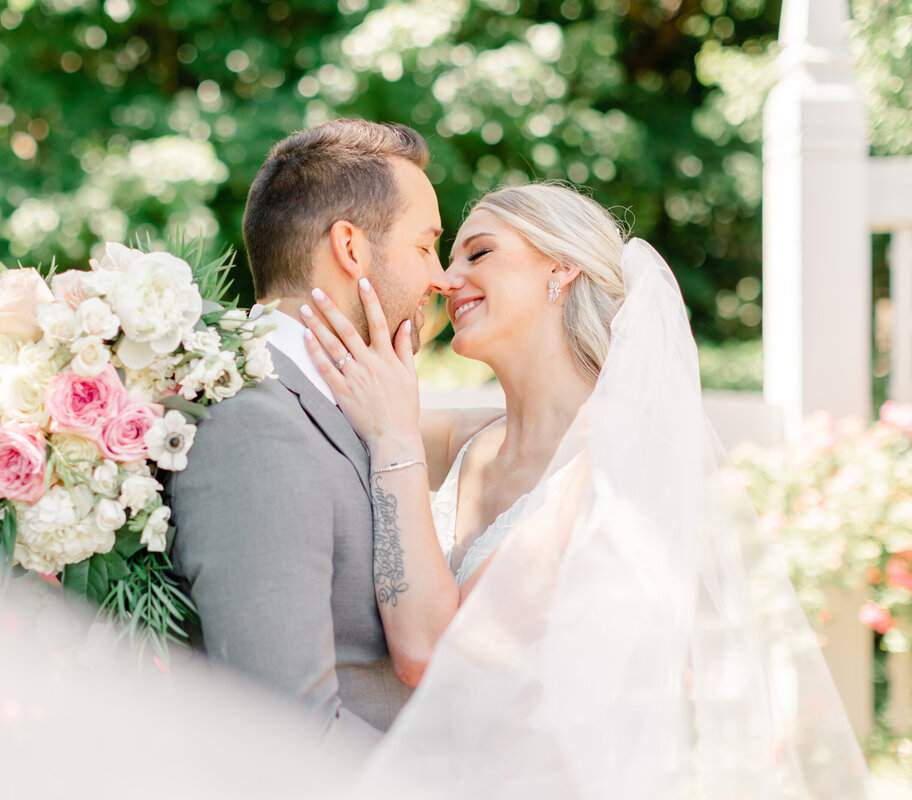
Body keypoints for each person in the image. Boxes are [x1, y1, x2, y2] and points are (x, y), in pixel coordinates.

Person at [303, 183, 872, 797]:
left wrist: (393, 439)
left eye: (479, 253)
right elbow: (319, 409)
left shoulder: (619, 465)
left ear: (562, 268)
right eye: (447, 256)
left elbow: (426, 652)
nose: (445, 277)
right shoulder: (463, 442)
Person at [166, 119, 459, 743]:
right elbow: (289, 734)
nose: (440, 278)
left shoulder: (338, 405)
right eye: (425, 245)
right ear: (352, 249)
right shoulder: (255, 422)